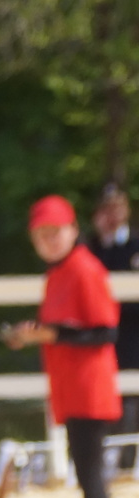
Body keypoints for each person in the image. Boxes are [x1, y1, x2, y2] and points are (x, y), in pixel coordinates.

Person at [3, 195, 120, 498]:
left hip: (90, 391)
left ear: (73, 230)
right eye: (42, 234)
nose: (49, 240)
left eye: (56, 232)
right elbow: (61, 329)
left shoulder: (86, 269)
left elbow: (105, 332)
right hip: (70, 391)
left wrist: (51, 335)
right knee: (87, 480)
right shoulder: (56, 274)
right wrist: (32, 335)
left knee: (91, 482)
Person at [88, 183, 139, 465]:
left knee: (130, 404)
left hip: (132, 339)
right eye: (106, 209)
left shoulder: (136, 246)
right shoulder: (89, 249)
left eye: (117, 207)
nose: (112, 215)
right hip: (99, 340)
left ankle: (127, 462)